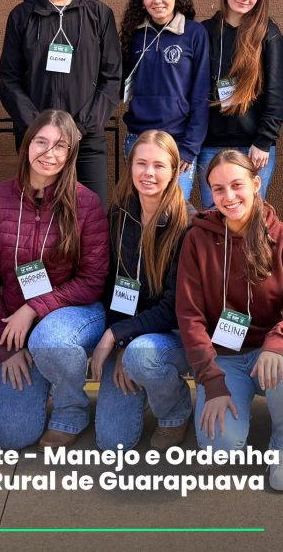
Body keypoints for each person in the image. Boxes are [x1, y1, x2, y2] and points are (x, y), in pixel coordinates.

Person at [177, 150, 283, 492]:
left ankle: (282, 445)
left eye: (237, 185)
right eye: (218, 189)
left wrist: (278, 340)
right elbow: (190, 317)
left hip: (272, 352)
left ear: (256, 184)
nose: (228, 197)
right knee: (218, 449)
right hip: (225, 357)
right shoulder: (197, 240)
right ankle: (230, 401)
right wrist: (211, 381)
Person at [0, 109, 109, 449]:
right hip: (15, 324)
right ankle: (44, 373)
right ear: (27, 144)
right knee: (11, 435)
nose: (49, 153)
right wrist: (3, 349)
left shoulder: (86, 203)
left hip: (73, 313)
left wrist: (33, 309)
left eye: (60, 146)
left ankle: (70, 408)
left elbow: (93, 279)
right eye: (41, 142)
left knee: (51, 341)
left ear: (71, 153)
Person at [0, 0, 122, 206]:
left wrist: (77, 129)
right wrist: (39, 130)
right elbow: (9, 80)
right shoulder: (21, 16)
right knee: (39, 218)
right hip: (36, 142)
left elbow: (112, 79)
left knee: (90, 219)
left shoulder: (100, 14)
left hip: (85, 141)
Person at [90, 130, 192, 451]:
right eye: (141, 163)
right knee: (112, 441)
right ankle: (146, 381)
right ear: (130, 165)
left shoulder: (188, 226)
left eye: (159, 166)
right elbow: (111, 288)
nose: (149, 173)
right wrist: (121, 337)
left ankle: (175, 410)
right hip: (130, 334)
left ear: (175, 171)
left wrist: (119, 337)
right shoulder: (119, 216)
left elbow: (173, 308)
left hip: (170, 337)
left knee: (140, 358)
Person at [197, 0, 283, 207]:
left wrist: (263, 140)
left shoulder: (268, 35)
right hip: (210, 147)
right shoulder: (204, 32)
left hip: (254, 149)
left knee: (249, 220)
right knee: (215, 218)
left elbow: (278, 95)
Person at [119, 0, 211, 199]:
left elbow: (201, 95)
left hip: (177, 141)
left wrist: (189, 149)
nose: (156, 0)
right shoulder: (135, 34)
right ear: (141, 0)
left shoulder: (194, 33)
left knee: (174, 215)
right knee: (141, 212)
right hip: (138, 139)